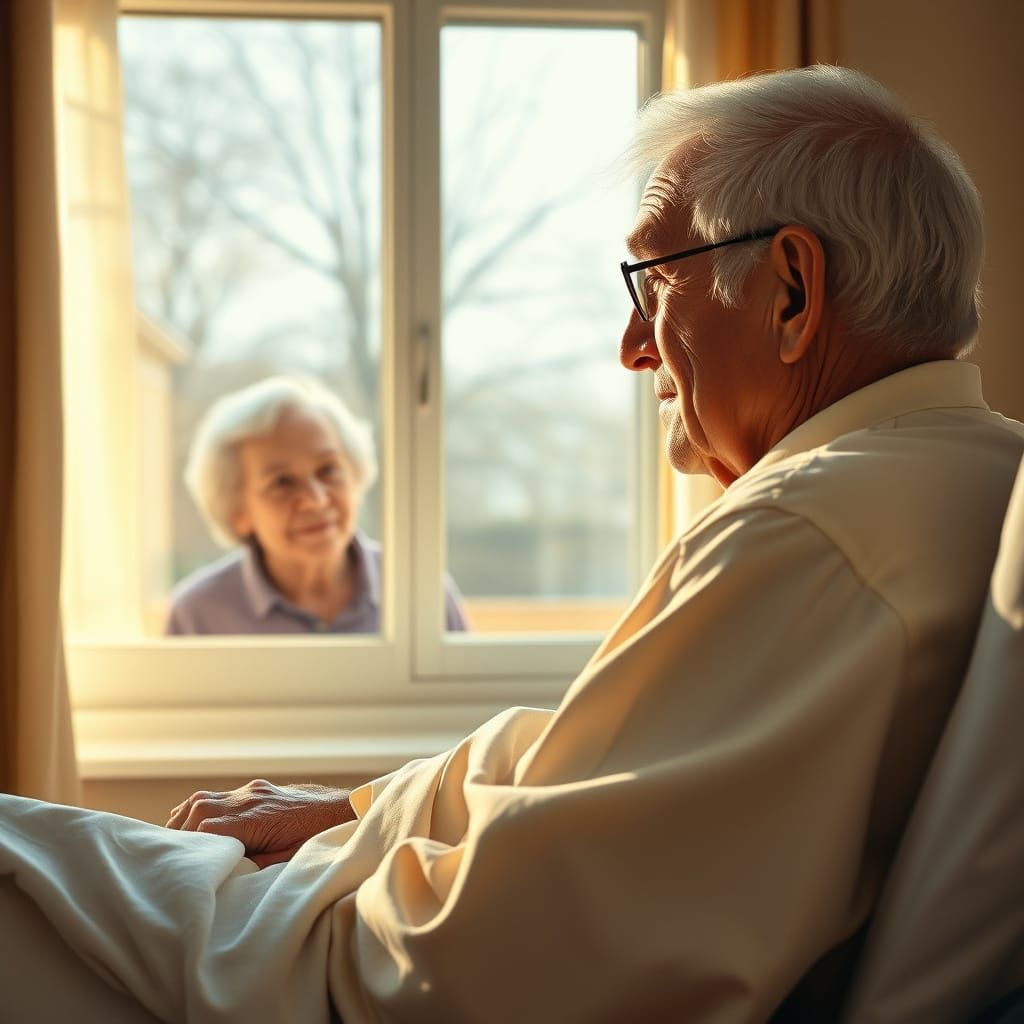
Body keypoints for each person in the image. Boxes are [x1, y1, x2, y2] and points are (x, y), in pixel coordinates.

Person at [2, 65, 1023, 1023]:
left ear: (792, 290)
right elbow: (628, 757)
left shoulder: (807, 530)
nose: (629, 347)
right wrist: (358, 809)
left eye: (651, 281)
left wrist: (292, 882)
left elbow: (466, 967)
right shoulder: (964, 476)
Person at [165, 376, 469, 634]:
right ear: (237, 511)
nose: (316, 500)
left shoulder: (423, 592)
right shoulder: (197, 615)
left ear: (355, 476)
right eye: (282, 483)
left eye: (329, 470)